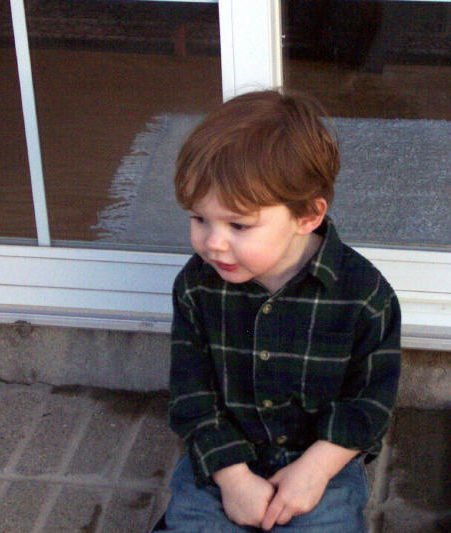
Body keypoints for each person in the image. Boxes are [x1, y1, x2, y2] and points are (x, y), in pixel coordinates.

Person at [161, 89, 401, 532]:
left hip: (320, 463)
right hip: (223, 458)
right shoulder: (197, 286)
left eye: (238, 225)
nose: (213, 242)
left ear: (307, 216)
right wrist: (232, 478)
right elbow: (191, 394)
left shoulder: (363, 294)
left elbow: (370, 401)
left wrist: (316, 468)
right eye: (199, 219)